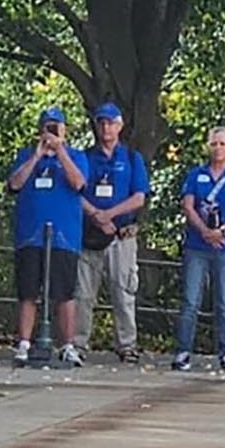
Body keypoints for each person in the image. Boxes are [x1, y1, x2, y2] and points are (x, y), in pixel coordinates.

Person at [8, 107, 89, 367]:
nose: (51, 131)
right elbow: (15, 184)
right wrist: (38, 155)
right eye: (48, 126)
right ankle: (24, 343)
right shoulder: (26, 155)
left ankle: (67, 344)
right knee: (28, 292)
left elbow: (78, 183)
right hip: (32, 234)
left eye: (56, 127)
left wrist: (60, 151)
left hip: (64, 235)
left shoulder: (77, 156)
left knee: (64, 293)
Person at [172, 126, 225, 373]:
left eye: (222, 143)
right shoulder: (196, 176)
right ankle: (183, 350)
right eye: (214, 143)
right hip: (197, 245)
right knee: (190, 300)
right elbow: (188, 206)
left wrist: (222, 231)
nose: (218, 148)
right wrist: (204, 232)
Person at [75, 103, 150, 363]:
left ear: (120, 126)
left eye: (111, 123)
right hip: (91, 236)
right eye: (101, 123)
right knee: (84, 293)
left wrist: (111, 214)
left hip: (121, 236)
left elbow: (139, 197)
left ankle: (127, 344)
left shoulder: (131, 158)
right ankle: (79, 343)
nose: (106, 128)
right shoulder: (84, 157)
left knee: (124, 292)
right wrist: (96, 215)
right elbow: (76, 193)